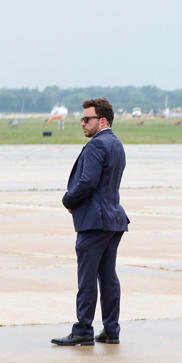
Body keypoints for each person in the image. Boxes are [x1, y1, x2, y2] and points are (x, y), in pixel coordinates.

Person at [51, 98, 130, 347]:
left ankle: (83, 329)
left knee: (87, 278)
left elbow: (87, 182)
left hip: (95, 222)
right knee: (108, 277)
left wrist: (68, 200)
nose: (82, 123)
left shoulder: (97, 146)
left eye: (87, 119)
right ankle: (111, 329)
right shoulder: (115, 143)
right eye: (82, 119)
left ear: (102, 120)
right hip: (113, 219)